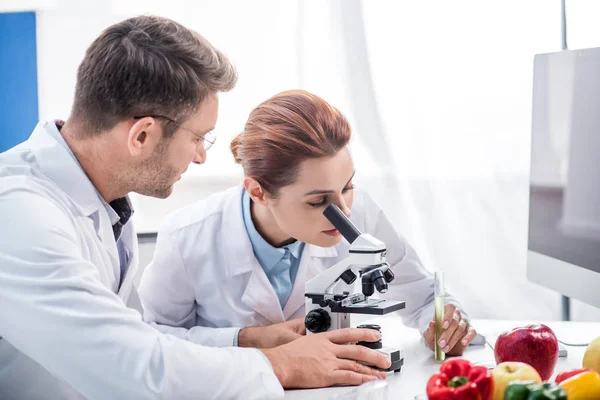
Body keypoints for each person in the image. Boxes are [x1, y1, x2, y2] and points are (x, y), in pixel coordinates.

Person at [0, 16, 391, 400]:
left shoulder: (101, 204)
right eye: (199, 137)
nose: (202, 156)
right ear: (142, 135)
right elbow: (135, 368)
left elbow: (135, 335)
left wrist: (249, 340)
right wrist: (284, 365)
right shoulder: (20, 215)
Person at [138, 90, 478, 358]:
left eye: (347, 187)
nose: (343, 212)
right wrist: (247, 340)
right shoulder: (188, 237)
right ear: (258, 191)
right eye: (318, 202)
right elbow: (152, 341)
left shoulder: (360, 214)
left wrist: (446, 323)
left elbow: (422, 296)